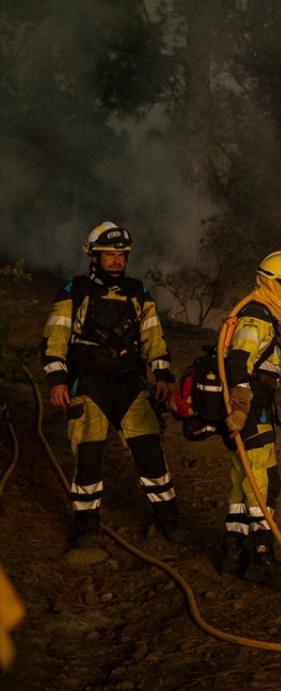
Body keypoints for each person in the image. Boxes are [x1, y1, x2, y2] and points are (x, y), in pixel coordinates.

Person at [41, 222, 181, 565]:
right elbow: (55, 338)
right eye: (110, 255)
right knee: (88, 455)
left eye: (122, 255)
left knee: (150, 450)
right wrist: (57, 381)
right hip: (89, 383)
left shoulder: (138, 292)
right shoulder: (75, 291)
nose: (117, 260)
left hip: (130, 383)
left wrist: (163, 375)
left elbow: (153, 337)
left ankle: (169, 520)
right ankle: (87, 529)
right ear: (94, 256)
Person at [218, 250, 281, 587]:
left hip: (254, 407)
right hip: (248, 410)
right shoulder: (257, 317)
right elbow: (238, 363)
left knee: (241, 479)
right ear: (276, 285)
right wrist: (240, 407)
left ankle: (233, 552)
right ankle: (261, 555)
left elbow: (264, 370)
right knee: (263, 481)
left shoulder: (269, 319)